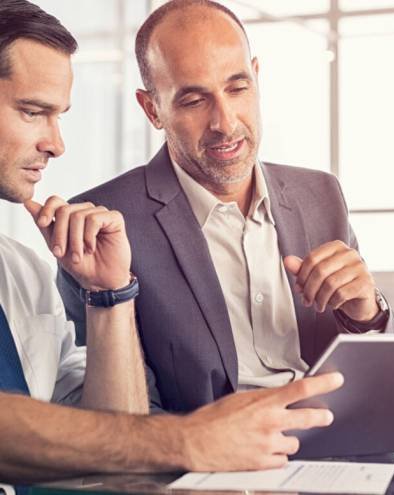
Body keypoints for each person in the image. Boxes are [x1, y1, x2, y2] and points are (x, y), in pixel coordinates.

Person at [0, 0, 343, 484]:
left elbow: (108, 450)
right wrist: (190, 440)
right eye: (33, 112)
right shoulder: (114, 211)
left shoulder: (23, 272)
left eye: (238, 86)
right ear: (152, 109)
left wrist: (109, 294)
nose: (58, 144)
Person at [58, 0, 394, 414]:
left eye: (237, 88)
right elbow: (113, 420)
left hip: (336, 445)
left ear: (256, 78)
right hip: (206, 464)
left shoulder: (320, 194)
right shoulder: (103, 222)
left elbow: (386, 387)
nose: (225, 122)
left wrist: (367, 312)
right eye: (193, 101)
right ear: (153, 109)